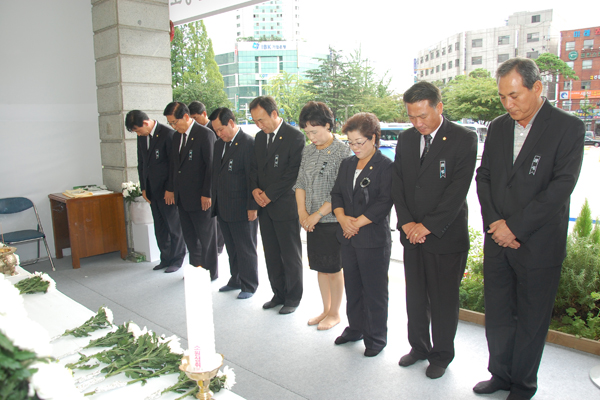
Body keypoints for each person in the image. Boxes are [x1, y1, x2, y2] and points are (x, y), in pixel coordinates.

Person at [475, 58, 585, 400]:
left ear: (537, 88)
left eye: (514, 95)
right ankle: (500, 374)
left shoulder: (568, 127)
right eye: (502, 97)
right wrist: (496, 223)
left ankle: (523, 385)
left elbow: (560, 187)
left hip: (538, 243)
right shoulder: (498, 126)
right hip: (498, 239)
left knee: (532, 318)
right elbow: (485, 177)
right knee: (497, 313)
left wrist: (515, 228)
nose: (508, 104)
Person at [391, 82, 477, 379]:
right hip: (411, 234)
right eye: (412, 117)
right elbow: (398, 184)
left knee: (443, 299)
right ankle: (419, 347)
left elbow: (457, 190)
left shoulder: (463, 138)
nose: (417, 123)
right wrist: (406, 223)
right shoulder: (405, 139)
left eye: (423, 116)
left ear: (439, 107)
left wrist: (426, 226)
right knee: (415, 296)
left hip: (444, 235)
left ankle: (441, 355)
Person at [330, 112, 393, 357]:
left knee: (375, 291)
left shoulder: (385, 165)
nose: (355, 147)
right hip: (348, 236)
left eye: (360, 142)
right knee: (354, 287)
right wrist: (343, 218)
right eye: (351, 142)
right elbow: (337, 194)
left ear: (374, 138)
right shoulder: (347, 164)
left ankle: (376, 337)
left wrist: (356, 224)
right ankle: (355, 328)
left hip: (372, 239)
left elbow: (384, 201)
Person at [294, 101, 351, 330]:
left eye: (314, 132)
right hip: (310, 221)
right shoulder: (307, 151)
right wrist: (302, 213)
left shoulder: (343, 151)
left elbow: (340, 191)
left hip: (332, 220)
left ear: (328, 125)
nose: (311, 137)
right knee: (320, 267)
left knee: (334, 269)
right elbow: (300, 183)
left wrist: (316, 215)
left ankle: (335, 313)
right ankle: (325, 310)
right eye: (307, 133)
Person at [249, 96, 305, 314]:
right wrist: (255, 190)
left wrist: (269, 195)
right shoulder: (259, 138)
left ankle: (293, 297)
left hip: (285, 206)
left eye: (262, 120)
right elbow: (253, 167)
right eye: (255, 121)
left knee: (290, 255)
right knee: (271, 253)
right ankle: (278, 293)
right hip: (264, 206)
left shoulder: (295, 137)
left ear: (274, 113)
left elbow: (292, 173)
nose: (259, 125)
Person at [126, 110, 186, 273]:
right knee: (159, 227)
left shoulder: (168, 134)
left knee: (173, 226)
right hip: (152, 190)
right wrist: (143, 187)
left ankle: (177, 259)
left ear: (146, 123)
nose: (138, 134)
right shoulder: (142, 137)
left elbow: (174, 165)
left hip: (167, 191)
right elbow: (141, 163)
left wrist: (171, 189)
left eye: (138, 130)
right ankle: (165, 258)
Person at [163, 102, 218, 279]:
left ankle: (210, 272)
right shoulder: (176, 137)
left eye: (174, 122)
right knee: (190, 238)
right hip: (182, 197)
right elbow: (174, 166)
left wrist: (207, 193)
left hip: (201, 197)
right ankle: (196, 269)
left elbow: (211, 167)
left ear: (186, 117)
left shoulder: (205, 135)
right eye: (170, 123)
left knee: (206, 238)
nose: (173, 126)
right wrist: (171, 188)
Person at [209, 107, 259, 299]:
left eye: (221, 129)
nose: (219, 134)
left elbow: (252, 178)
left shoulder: (248, 144)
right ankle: (235, 279)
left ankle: (249, 284)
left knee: (245, 247)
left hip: (242, 206)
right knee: (231, 246)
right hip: (223, 206)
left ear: (231, 122)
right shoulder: (219, 144)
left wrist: (252, 206)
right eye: (216, 131)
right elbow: (216, 175)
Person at [189, 101, 225, 254]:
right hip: (204, 182)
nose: (194, 121)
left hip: (218, 180)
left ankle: (218, 245)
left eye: (196, 117)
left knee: (218, 218)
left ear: (204, 114)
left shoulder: (212, 131)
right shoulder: (195, 133)